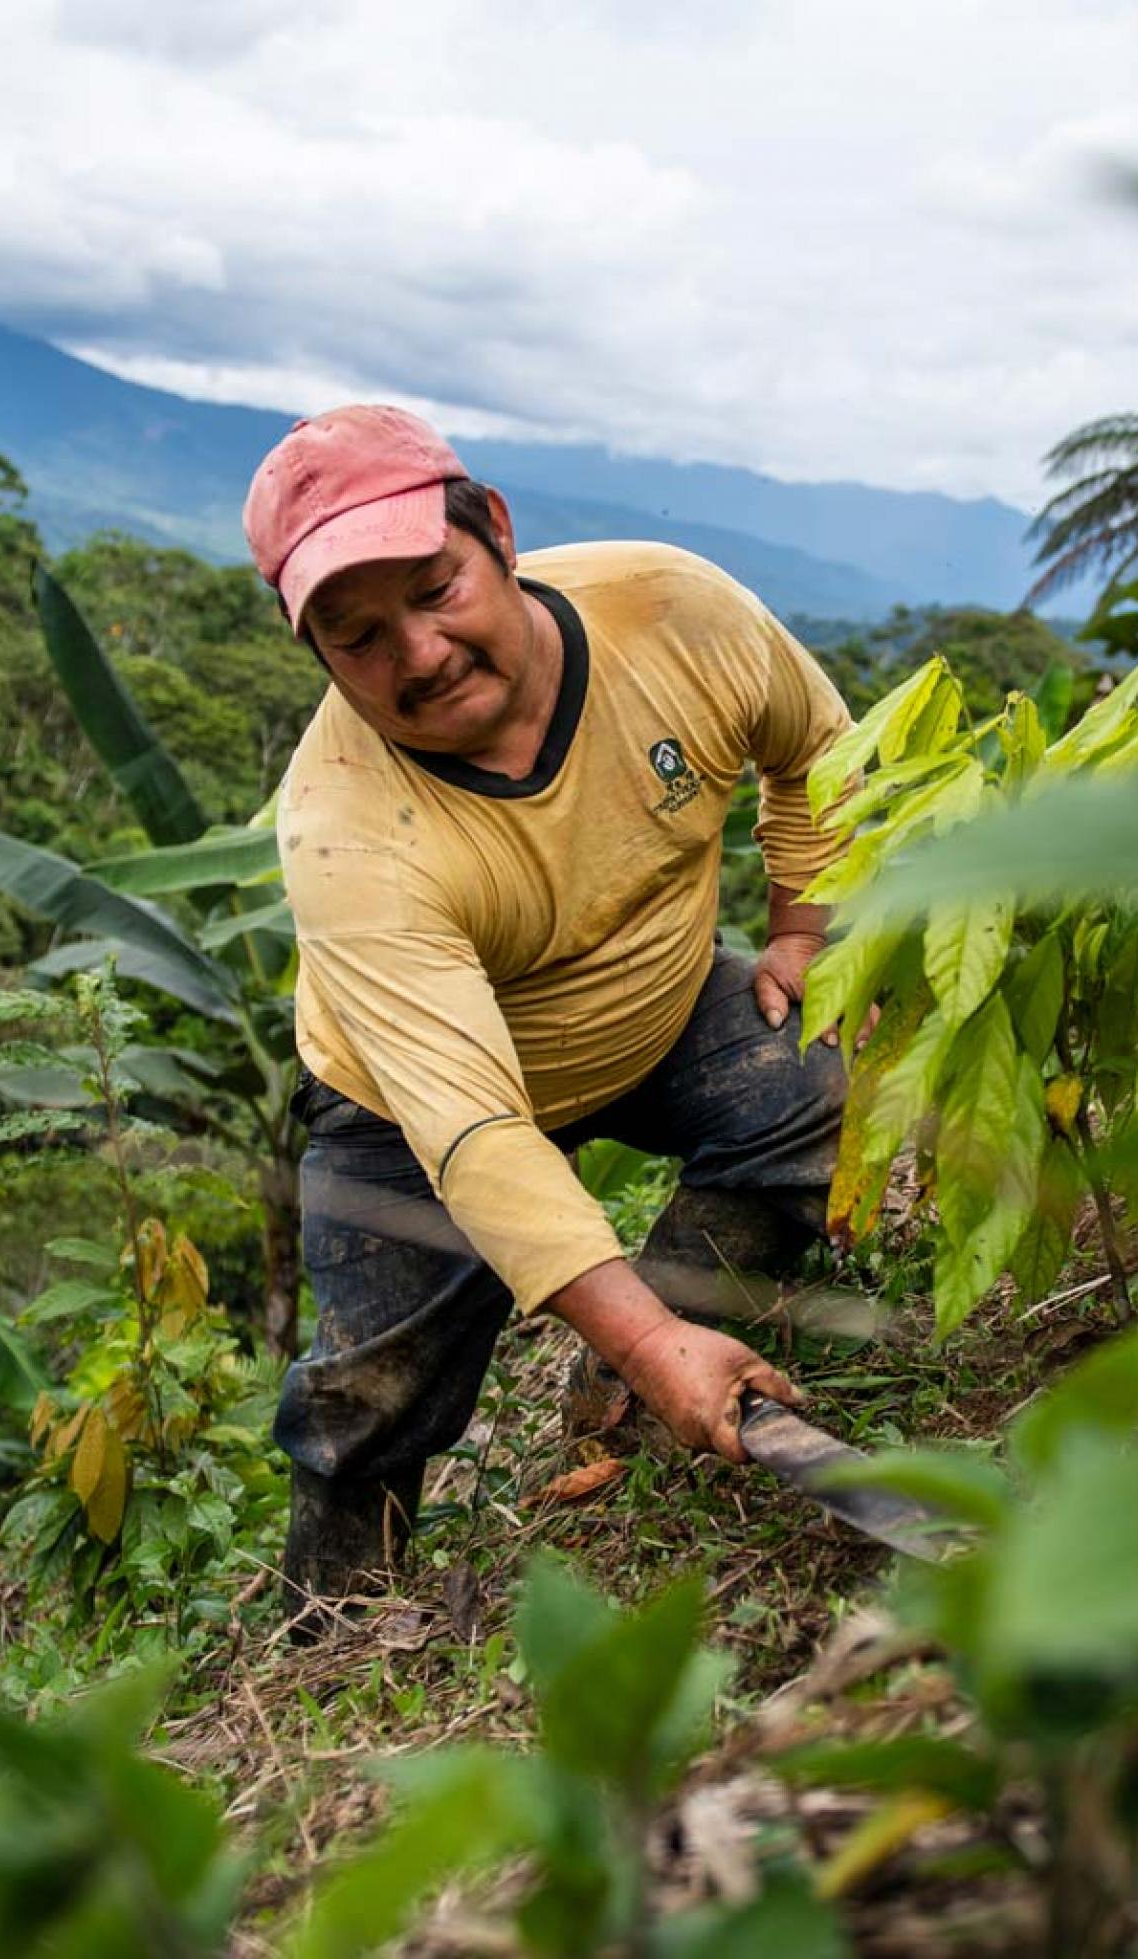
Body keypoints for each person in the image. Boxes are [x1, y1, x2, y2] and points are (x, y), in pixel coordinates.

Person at [244, 404, 858, 1613]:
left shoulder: (672, 612)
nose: (415, 654)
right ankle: (335, 1625)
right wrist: (641, 1330)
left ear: (499, 537)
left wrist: (800, 929)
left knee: (822, 1089)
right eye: (359, 638)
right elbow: (475, 1136)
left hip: (659, 1005)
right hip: (413, 1118)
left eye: (433, 591)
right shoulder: (347, 833)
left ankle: (633, 1385)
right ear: (314, 652)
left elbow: (820, 748)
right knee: (370, 1394)